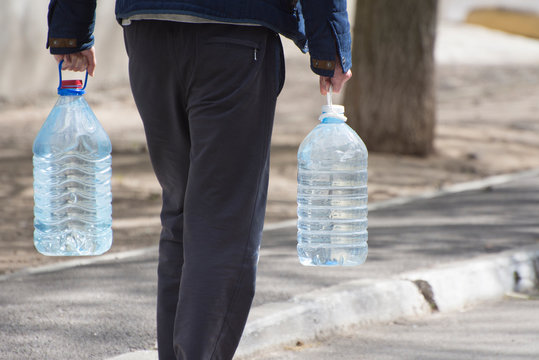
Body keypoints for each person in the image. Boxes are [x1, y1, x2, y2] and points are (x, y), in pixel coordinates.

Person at [47, 1, 352, 359]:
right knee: (221, 225)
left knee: (180, 211)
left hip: (150, 32)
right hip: (235, 34)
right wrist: (330, 46)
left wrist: (69, 29)